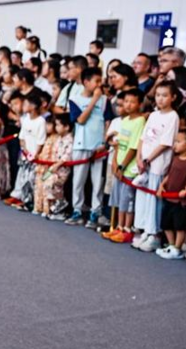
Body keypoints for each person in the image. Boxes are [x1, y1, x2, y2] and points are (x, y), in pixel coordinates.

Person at [132, 81, 180, 252]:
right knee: (143, 197)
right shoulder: (153, 115)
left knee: (154, 199)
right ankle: (144, 229)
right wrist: (139, 157)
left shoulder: (173, 116)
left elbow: (165, 143)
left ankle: (155, 234)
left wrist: (148, 159)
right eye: (158, 95)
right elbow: (142, 138)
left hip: (158, 163)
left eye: (165, 95)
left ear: (173, 97)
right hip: (144, 162)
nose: (160, 99)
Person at [65, 67, 108, 228]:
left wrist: (104, 142)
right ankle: (77, 210)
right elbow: (81, 120)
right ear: (86, 82)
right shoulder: (75, 99)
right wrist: (94, 100)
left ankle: (95, 212)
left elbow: (108, 122)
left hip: (98, 146)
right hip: (81, 144)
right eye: (96, 81)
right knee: (78, 180)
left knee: (98, 182)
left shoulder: (105, 100)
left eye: (100, 80)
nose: (99, 84)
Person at [104, 89, 145, 243]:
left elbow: (133, 148)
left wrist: (122, 167)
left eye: (132, 102)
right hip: (119, 166)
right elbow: (119, 145)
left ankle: (127, 229)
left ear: (140, 104)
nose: (128, 105)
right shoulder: (125, 120)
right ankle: (119, 227)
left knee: (128, 200)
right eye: (126, 101)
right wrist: (115, 163)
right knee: (119, 199)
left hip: (129, 169)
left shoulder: (140, 121)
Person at [156, 128, 186, 259]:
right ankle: (171, 245)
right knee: (166, 224)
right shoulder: (175, 158)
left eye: (178, 141)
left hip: (182, 201)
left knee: (180, 226)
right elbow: (169, 174)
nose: (175, 144)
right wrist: (161, 186)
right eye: (175, 141)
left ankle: (177, 249)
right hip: (169, 198)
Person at [7, 94, 46, 210]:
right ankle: (20, 197)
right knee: (22, 176)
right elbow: (22, 137)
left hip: (35, 155)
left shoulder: (41, 121)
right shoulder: (26, 119)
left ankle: (30, 201)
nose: (24, 106)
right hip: (25, 153)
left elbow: (41, 140)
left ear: (33, 106)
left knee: (31, 178)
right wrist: (24, 149)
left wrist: (35, 154)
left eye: (26, 104)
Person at [45, 114, 75, 220]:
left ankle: (62, 203)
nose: (56, 127)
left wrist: (57, 165)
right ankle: (56, 205)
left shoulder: (70, 139)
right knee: (47, 182)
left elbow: (67, 155)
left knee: (55, 184)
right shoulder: (58, 139)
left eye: (58, 125)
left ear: (66, 127)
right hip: (54, 167)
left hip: (62, 169)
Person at [32, 116, 57, 214]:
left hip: (49, 168)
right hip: (41, 166)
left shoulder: (56, 139)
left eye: (49, 124)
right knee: (39, 186)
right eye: (46, 124)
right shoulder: (46, 137)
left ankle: (47, 209)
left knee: (46, 186)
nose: (47, 127)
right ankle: (38, 207)